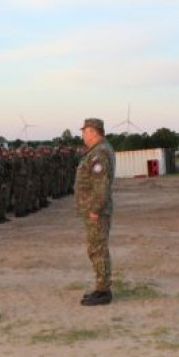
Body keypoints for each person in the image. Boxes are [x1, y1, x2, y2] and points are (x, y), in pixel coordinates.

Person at [74, 118, 116, 306]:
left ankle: (103, 291)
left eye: (84, 131)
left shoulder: (98, 153)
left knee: (97, 249)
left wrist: (95, 209)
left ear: (93, 132)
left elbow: (101, 185)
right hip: (94, 209)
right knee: (97, 248)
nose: (83, 135)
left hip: (96, 210)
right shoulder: (99, 150)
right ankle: (101, 287)